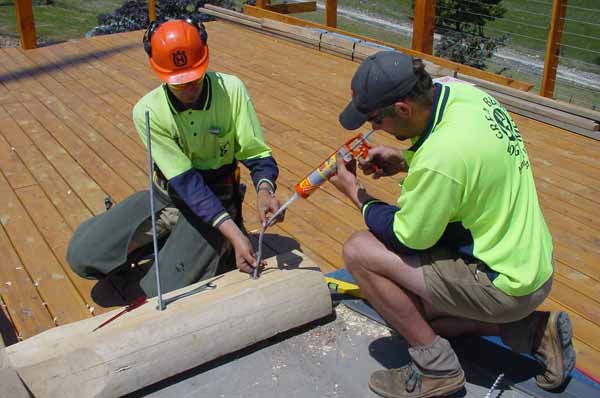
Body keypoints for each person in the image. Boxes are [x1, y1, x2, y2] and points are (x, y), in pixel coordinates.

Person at [329, 51, 575, 398]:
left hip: (502, 284)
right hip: (530, 265)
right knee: (429, 319)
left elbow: (406, 237)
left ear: (402, 109)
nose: (373, 129)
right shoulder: (466, 95)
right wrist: (405, 158)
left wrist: (357, 194)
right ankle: (533, 331)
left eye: (375, 120)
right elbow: (466, 163)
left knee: (359, 251)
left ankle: (436, 370)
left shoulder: (441, 158)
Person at [67, 18, 283, 300]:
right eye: (179, 84)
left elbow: (256, 153)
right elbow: (187, 183)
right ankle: (195, 240)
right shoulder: (147, 111)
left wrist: (265, 189)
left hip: (218, 198)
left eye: (195, 78)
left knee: (158, 292)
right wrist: (235, 234)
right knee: (82, 255)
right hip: (167, 196)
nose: (189, 89)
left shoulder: (232, 90)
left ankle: (208, 241)